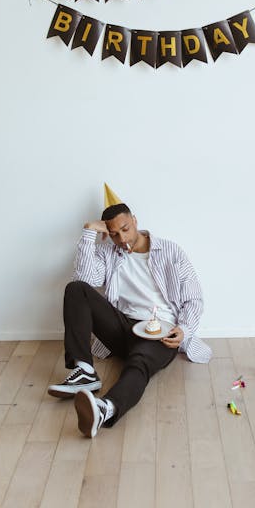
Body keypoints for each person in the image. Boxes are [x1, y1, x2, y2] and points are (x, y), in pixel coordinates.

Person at [48, 184, 212, 438]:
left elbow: (194, 299)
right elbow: (85, 278)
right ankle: (85, 372)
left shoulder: (170, 252)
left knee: (139, 365)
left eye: (125, 229)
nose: (122, 239)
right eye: (114, 234)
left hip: (160, 331)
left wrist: (184, 329)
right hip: (122, 327)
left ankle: (105, 409)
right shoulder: (109, 254)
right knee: (76, 289)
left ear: (135, 221)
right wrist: (89, 232)